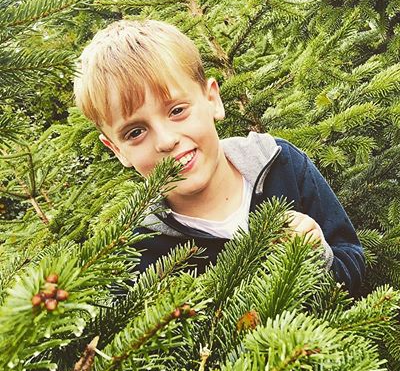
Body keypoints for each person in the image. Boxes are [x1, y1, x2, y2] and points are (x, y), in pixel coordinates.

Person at [74, 19, 365, 295]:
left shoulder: (281, 163)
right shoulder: (138, 250)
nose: (166, 141)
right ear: (116, 150)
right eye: (135, 132)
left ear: (212, 99)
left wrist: (317, 255)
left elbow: (352, 260)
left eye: (177, 111)